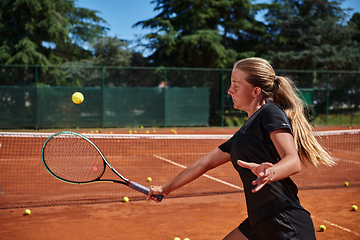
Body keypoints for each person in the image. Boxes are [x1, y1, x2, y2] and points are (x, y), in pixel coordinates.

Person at [147, 57, 335, 240]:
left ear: (255, 91)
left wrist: (270, 172)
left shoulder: (270, 112)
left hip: (284, 221)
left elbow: (293, 161)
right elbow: (205, 163)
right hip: (259, 221)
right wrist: (165, 188)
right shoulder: (243, 133)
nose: (229, 91)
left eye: (236, 85)